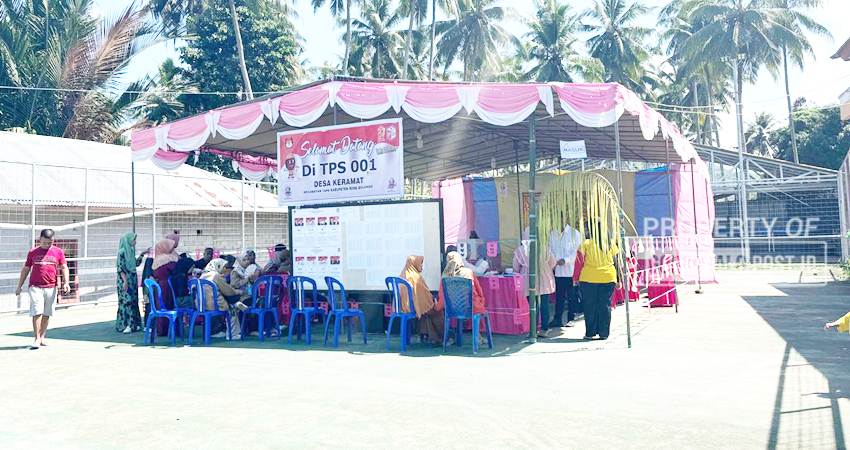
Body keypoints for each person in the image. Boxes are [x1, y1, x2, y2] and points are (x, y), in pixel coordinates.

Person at [15, 229, 70, 349]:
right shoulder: (33, 252)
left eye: (49, 243)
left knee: (46, 313)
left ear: (53, 241)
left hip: (51, 286)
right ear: (40, 239)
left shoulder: (58, 252)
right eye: (44, 242)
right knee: (37, 311)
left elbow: (64, 267)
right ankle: (36, 339)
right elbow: (26, 269)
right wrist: (19, 286)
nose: (46, 245)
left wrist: (66, 283)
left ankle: (42, 336)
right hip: (35, 287)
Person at [575, 222, 621, 341]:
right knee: (605, 306)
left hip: (589, 279)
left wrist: (575, 278)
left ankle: (590, 333)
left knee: (589, 306)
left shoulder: (586, 243)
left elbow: (579, 262)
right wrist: (619, 279)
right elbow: (617, 262)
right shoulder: (610, 243)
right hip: (608, 277)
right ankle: (604, 333)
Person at [513, 230, 557, 338]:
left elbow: (515, 267)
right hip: (544, 280)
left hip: (529, 281)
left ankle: (533, 330)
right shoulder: (545, 248)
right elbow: (553, 262)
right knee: (544, 305)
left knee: (532, 306)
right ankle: (544, 329)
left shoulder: (521, 250)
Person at [436, 251, 487, 345]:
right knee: (477, 308)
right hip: (472, 308)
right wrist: (481, 301)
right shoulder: (469, 273)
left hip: (453, 310)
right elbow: (479, 291)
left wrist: (437, 307)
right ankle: (478, 338)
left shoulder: (444, 276)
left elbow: (442, 297)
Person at [400, 255, 443, 344]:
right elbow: (425, 297)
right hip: (412, 308)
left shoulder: (402, 275)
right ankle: (443, 337)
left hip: (402, 307)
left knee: (426, 312)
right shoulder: (416, 278)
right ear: (414, 264)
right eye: (420, 264)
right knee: (435, 311)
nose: (421, 266)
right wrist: (433, 302)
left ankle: (429, 337)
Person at [200, 258, 243, 339]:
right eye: (224, 267)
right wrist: (238, 292)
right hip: (216, 305)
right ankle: (233, 334)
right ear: (218, 266)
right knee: (232, 308)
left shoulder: (203, 276)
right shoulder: (216, 276)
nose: (226, 269)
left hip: (202, 305)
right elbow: (228, 291)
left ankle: (215, 332)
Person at [549, 224, 582, 328]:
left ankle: (571, 318)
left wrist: (566, 260)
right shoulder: (552, 234)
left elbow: (577, 252)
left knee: (572, 296)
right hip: (558, 270)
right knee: (559, 296)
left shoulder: (574, 233)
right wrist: (555, 260)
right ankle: (557, 318)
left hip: (571, 270)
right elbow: (550, 249)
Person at [116, 232, 146, 334]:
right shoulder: (122, 252)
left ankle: (134, 324)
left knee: (133, 301)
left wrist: (142, 255)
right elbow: (120, 268)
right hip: (125, 280)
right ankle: (127, 324)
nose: (135, 242)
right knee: (126, 301)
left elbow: (135, 264)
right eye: (133, 240)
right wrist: (125, 281)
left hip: (132, 279)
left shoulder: (131, 251)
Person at [151, 239, 179, 336]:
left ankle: (161, 330)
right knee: (170, 306)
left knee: (161, 307)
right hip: (167, 286)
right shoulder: (168, 259)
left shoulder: (157, 259)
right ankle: (171, 330)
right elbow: (175, 269)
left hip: (158, 286)